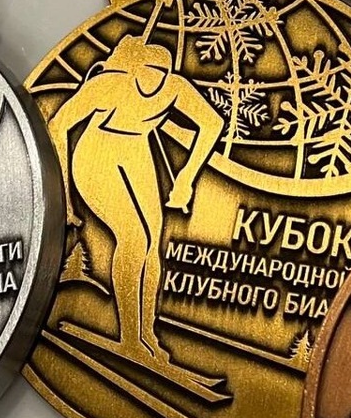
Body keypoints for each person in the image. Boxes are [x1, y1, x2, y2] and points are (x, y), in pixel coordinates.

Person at [49, 35, 225, 364]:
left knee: (152, 243)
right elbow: (59, 125)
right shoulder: (108, 85)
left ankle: (147, 335)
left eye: (161, 73)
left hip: (137, 151)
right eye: (147, 71)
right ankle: (129, 337)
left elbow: (212, 123)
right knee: (133, 238)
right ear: (133, 68)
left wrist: (186, 177)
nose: (153, 80)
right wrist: (64, 192)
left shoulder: (174, 88)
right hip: (97, 153)